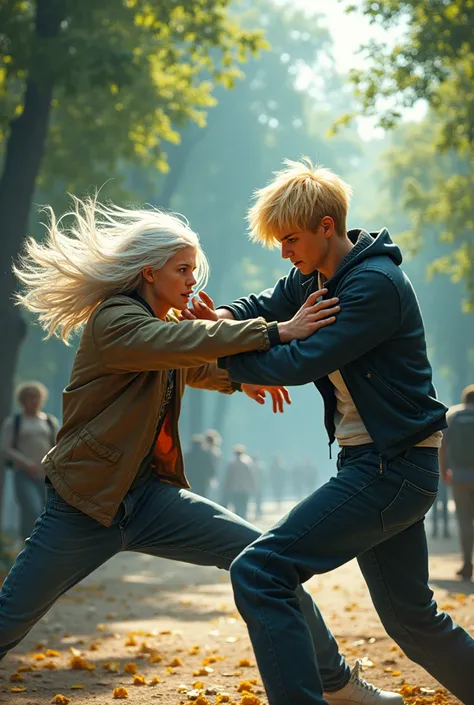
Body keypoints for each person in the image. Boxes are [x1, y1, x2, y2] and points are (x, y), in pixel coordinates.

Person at [0, 196, 398, 705]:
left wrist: (241, 380)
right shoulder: (115, 320)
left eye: (194, 269)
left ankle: (337, 682)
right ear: (148, 271)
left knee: (267, 560)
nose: (192, 280)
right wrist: (277, 330)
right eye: (182, 269)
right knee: (10, 616)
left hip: (149, 500)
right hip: (84, 505)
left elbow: (188, 360)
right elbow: (175, 344)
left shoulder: (154, 326)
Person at [187, 159, 474, 705]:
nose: (283, 251)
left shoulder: (375, 285)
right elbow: (262, 308)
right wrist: (219, 317)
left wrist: (216, 360)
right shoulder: (312, 277)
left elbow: (301, 359)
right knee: (414, 621)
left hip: (392, 468)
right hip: (377, 465)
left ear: (326, 226)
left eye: (290, 238)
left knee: (261, 569)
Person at [1, 382, 59, 541]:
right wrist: (26, 462)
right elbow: (6, 449)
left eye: (37, 397)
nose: (34, 401)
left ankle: (41, 543)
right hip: (24, 474)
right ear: (23, 400)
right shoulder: (14, 422)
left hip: (46, 475)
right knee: (31, 509)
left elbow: (57, 446)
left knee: (45, 511)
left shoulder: (49, 421)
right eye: (30, 397)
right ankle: (27, 542)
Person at [440, 384, 474, 581]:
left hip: (460, 476)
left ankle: (467, 564)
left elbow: (442, 444)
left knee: (464, 521)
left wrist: (444, 471)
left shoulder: (453, 415)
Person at [222, 444, 255, 519]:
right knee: (244, 505)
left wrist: (227, 486)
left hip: (235, 488)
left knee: (236, 505)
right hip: (245, 488)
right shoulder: (247, 462)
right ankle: (244, 518)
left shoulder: (231, 463)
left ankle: (238, 519)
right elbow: (251, 475)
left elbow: (228, 477)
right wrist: (252, 485)